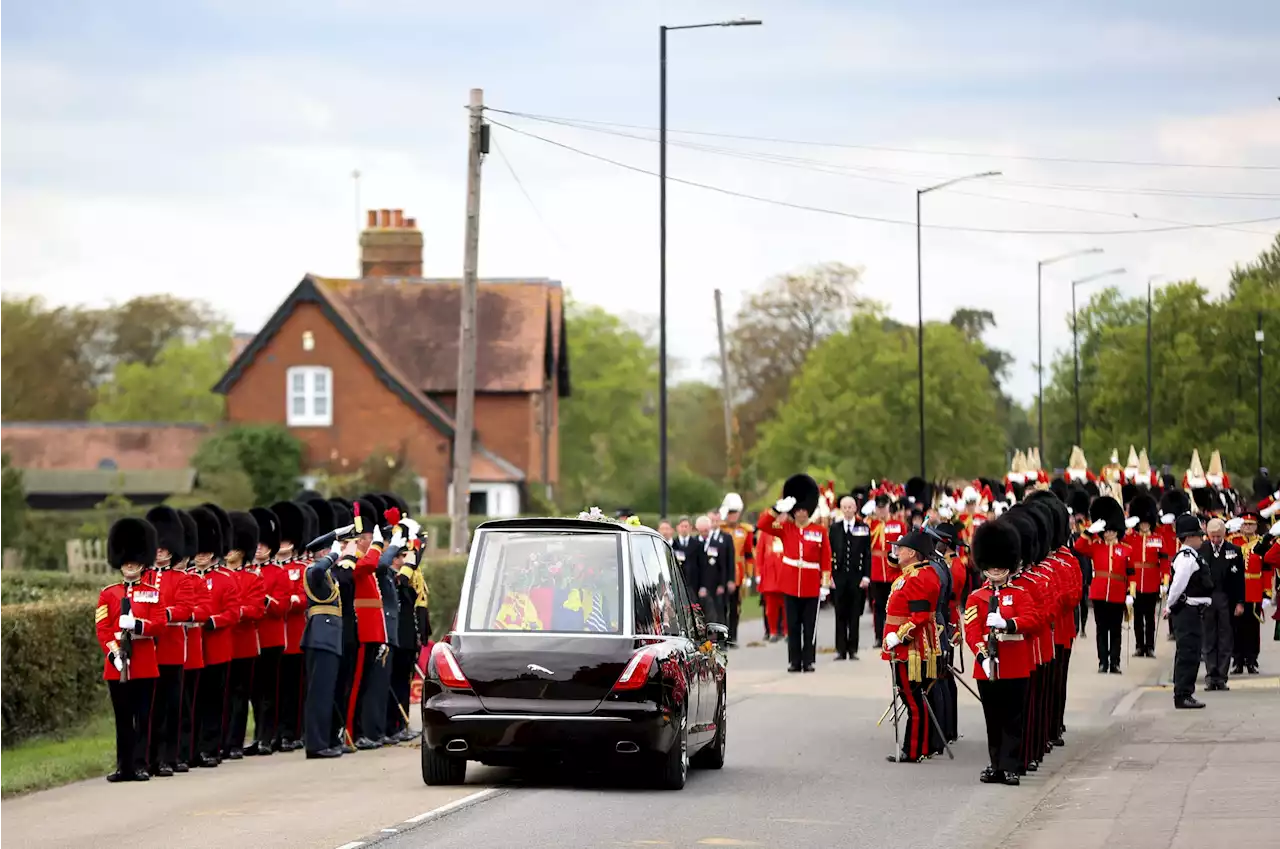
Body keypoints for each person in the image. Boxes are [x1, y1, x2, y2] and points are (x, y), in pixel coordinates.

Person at [965, 517, 1042, 786]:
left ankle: (1011, 765)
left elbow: (1033, 621)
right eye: (991, 567)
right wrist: (982, 657)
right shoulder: (976, 596)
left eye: (1001, 567)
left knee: (1012, 717)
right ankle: (995, 764)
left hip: (1014, 663)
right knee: (992, 718)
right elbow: (972, 631)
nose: (996, 572)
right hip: (987, 665)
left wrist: (1008, 623)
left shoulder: (1020, 594)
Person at [96, 517, 162, 782]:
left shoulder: (152, 592)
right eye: (125, 560)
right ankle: (124, 766)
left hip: (144, 661)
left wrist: (137, 625)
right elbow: (102, 627)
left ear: (142, 561)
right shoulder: (108, 593)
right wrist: (114, 653)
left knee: (142, 718)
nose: (129, 565)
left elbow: (158, 625)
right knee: (123, 718)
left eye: (133, 560)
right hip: (117, 664)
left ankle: (141, 764)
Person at [757, 474, 832, 673]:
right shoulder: (785, 528)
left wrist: (825, 583)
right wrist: (776, 508)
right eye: (798, 510)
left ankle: (808, 661)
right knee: (793, 626)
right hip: (790, 583)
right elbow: (763, 524)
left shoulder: (819, 531)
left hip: (810, 583)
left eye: (804, 510)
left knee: (809, 626)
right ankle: (794, 661)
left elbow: (826, 557)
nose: (801, 514)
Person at [140, 506, 192, 778]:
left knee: (172, 707)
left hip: (171, 649)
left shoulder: (180, 579)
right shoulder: (143, 578)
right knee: (151, 709)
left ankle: (169, 758)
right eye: (156, 547)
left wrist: (163, 614)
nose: (159, 551)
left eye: (164, 547)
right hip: (147, 652)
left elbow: (185, 609)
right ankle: (148, 757)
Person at [880, 529, 941, 763]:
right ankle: (921, 746)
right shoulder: (914, 573)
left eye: (902, 548)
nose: (898, 551)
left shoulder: (919, 578)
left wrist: (898, 636)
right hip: (906, 646)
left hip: (910, 648)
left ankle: (914, 749)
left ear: (913, 553)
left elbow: (919, 617)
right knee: (916, 698)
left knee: (912, 700)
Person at [190, 506, 240, 768]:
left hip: (217, 646)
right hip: (192, 650)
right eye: (197, 551)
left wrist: (212, 621)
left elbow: (233, 613)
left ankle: (212, 747)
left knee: (213, 701)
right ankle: (192, 748)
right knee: (193, 702)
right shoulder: (186, 578)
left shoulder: (226, 579)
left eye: (205, 552)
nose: (200, 556)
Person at [304, 535, 357, 758]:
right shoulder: (313, 571)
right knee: (319, 694)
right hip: (320, 636)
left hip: (330, 637)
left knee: (328, 693)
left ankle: (326, 740)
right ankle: (316, 744)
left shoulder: (328, 574)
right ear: (323, 554)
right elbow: (317, 571)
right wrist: (335, 554)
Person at [1073, 496, 1132, 673]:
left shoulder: (1126, 549)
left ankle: (1114, 662)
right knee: (1101, 630)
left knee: (1115, 630)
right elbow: (1078, 547)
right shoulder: (1096, 546)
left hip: (1118, 592)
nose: (1108, 533)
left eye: (1112, 530)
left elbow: (1131, 574)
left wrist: (1130, 594)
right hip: (1099, 593)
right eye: (1106, 531)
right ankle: (1102, 662)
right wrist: (1089, 531)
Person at [271, 500, 311, 752]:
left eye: (287, 540)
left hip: (296, 636)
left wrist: (292, 600)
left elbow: (305, 597)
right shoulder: (269, 570)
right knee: (275, 690)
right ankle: (275, 731)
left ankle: (294, 732)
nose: (283, 544)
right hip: (274, 637)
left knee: (294, 690)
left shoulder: (302, 569)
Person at [224, 511, 263, 759]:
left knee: (239, 695)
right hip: (220, 643)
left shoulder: (252, 578)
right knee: (222, 695)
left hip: (244, 642)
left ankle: (235, 742)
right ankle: (220, 740)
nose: (229, 552)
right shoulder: (218, 576)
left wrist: (234, 611)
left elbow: (256, 609)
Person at [1164, 514, 1212, 708]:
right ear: (1189, 536)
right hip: (1187, 610)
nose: (1201, 539)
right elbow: (1177, 586)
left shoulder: (1191, 556)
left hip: (1192, 611)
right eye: (1198, 535)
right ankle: (1182, 694)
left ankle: (1185, 692)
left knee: (1192, 652)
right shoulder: (1186, 559)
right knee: (1188, 653)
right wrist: (1169, 605)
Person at [248, 506, 285, 757]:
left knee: (269, 692)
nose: (259, 548)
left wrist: (265, 600)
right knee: (254, 691)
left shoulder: (278, 573)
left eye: (264, 544)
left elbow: (281, 606)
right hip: (251, 639)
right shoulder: (246, 573)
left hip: (271, 637)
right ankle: (257, 734)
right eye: (256, 544)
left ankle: (267, 736)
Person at [1200, 518, 1244, 691]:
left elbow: (1240, 580)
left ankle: (1222, 677)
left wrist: (1240, 602)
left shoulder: (1234, 550)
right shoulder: (1201, 550)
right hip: (1207, 599)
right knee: (1209, 638)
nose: (1216, 540)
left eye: (1219, 536)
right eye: (1213, 536)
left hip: (1226, 599)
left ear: (1224, 534)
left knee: (1226, 638)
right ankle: (1211, 675)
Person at [1126, 493, 1168, 658]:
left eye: (1146, 523)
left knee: (1150, 617)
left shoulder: (1158, 539)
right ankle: (1139, 646)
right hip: (1135, 582)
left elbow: (1164, 562)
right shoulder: (1130, 538)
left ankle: (1149, 646)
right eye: (1141, 523)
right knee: (1137, 617)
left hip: (1151, 581)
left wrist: (1165, 581)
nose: (1144, 526)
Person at [830, 495, 871, 660]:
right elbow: (829, 552)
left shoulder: (863, 527)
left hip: (856, 576)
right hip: (839, 576)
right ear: (841, 509)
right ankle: (840, 649)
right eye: (844, 507)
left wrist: (866, 576)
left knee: (854, 613)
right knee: (840, 613)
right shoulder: (835, 528)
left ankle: (853, 648)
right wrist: (829, 577)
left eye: (850, 507)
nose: (847, 510)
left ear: (855, 509)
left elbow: (867, 554)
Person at [867, 494, 905, 648]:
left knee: (895, 604)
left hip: (893, 569)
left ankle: (896, 634)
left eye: (884, 507)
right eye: (879, 508)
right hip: (876, 569)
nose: (881, 511)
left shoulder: (898, 524)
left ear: (889, 507)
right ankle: (878, 636)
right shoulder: (870, 524)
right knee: (878, 605)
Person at [1228, 511, 1263, 674]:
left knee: (1252, 627)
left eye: (1251, 524)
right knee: (1236, 627)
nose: (1248, 527)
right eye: (1245, 524)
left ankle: (1252, 660)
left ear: (1256, 526)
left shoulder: (1262, 543)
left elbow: (1268, 568)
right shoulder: (1232, 541)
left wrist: (1268, 591)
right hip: (1236, 589)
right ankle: (1238, 660)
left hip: (1254, 589)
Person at [718, 493, 755, 647]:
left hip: (739, 573)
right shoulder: (720, 529)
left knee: (735, 607)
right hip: (722, 573)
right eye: (731, 513)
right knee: (722, 606)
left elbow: (748, 554)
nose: (733, 516)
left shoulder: (745, 530)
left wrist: (749, 575)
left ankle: (733, 636)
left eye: (735, 513)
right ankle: (722, 637)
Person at [689, 515, 732, 625]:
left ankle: (720, 638)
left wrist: (722, 584)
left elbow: (723, 566)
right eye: (702, 530)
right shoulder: (693, 543)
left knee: (717, 613)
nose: (704, 533)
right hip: (697, 585)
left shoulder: (717, 544)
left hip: (714, 584)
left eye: (706, 530)